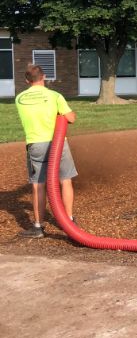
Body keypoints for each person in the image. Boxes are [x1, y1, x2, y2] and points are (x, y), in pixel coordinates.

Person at [15, 64, 78, 238]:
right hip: (58, 144)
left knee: (38, 184)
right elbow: (70, 118)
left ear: (27, 80)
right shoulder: (55, 96)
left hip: (36, 144)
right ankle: (69, 220)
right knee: (65, 180)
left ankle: (38, 227)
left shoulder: (19, 98)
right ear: (44, 77)